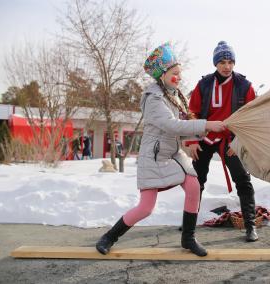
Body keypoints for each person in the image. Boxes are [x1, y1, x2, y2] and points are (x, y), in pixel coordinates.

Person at [95, 43, 225, 257]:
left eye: (179, 73)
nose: (179, 77)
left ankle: (188, 238)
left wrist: (203, 132)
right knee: (146, 208)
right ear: (163, 75)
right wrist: (207, 125)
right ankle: (109, 237)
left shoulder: (171, 95)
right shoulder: (154, 99)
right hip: (153, 158)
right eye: (175, 74)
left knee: (193, 186)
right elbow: (172, 126)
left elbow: (178, 131)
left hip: (173, 155)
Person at [187, 41, 259, 242]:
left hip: (231, 139)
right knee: (196, 181)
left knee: (243, 181)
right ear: (215, 63)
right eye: (222, 62)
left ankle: (250, 225)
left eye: (230, 61)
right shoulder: (204, 84)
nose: (227, 66)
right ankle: (189, 223)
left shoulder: (245, 86)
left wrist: (240, 143)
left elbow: (251, 118)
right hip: (205, 136)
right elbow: (192, 112)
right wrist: (193, 140)